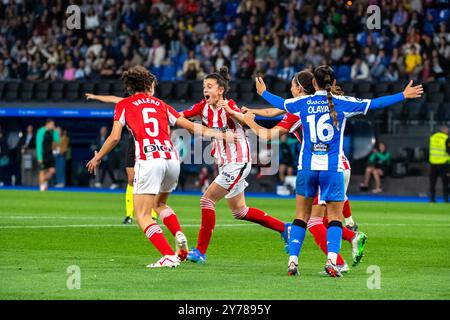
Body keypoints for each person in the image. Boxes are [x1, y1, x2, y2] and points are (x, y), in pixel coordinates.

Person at [257, 65, 423, 277]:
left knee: (301, 216)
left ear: (313, 83)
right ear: (333, 83)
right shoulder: (342, 103)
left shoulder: (302, 102)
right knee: (334, 218)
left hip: (307, 167)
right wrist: (403, 95)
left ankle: (292, 262)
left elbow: (279, 104)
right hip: (332, 169)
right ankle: (332, 261)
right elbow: (375, 104)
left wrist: (263, 93)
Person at [86, 65, 231, 268]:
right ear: (148, 85)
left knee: (143, 216)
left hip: (149, 160)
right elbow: (190, 126)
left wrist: (98, 157)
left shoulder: (124, 105)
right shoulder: (161, 105)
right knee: (159, 204)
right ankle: (178, 234)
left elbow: (115, 137)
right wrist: (220, 134)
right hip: (171, 160)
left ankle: (168, 255)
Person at [241, 70, 366, 273]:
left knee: (313, 220)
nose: (290, 90)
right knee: (326, 217)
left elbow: (268, 134)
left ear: (299, 88)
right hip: (339, 165)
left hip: (321, 165)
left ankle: (338, 261)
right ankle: (351, 236)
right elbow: (275, 110)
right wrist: (251, 111)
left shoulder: (300, 110)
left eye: (292, 86)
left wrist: (247, 120)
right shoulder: (311, 104)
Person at [179, 67, 290, 264]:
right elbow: (181, 115)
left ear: (220, 90)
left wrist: (232, 112)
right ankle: (285, 229)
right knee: (240, 211)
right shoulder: (201, 107)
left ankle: (200, 252)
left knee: (206, 200)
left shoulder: (229, 105)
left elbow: (248, 121)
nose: (206, 89)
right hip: (225, 164)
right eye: (204, 86)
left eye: (210, 86)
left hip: (238, 161)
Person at [86, 93, 160, 224]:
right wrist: (96, 97)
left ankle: (153, 215)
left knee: (151, 178)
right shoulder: (128, 102)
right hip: (133, 142)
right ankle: (129, 215)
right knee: (131, 179)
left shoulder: (152, 102)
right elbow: (113, 98)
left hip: (148, 141)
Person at [36, 119, 60, 191]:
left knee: (52, 171)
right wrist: (39, 157)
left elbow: (57, 141)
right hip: (43, 154)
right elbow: (38, 145)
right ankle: (42, 187)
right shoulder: (41, 131)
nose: (53, 126)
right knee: (42, 171)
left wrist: (56, 132)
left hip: (50, 154)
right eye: (52, 124)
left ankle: (43, 182)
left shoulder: (52, 132)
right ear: (48, 124)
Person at [428, 126, 450, 203]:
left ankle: (432, 198)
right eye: (448, 130)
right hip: (443, 163)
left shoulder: (432, 137)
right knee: (446, 181)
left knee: (432, 182)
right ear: (445, 130)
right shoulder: (446, 138)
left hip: (433, 162)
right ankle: (446, 198)